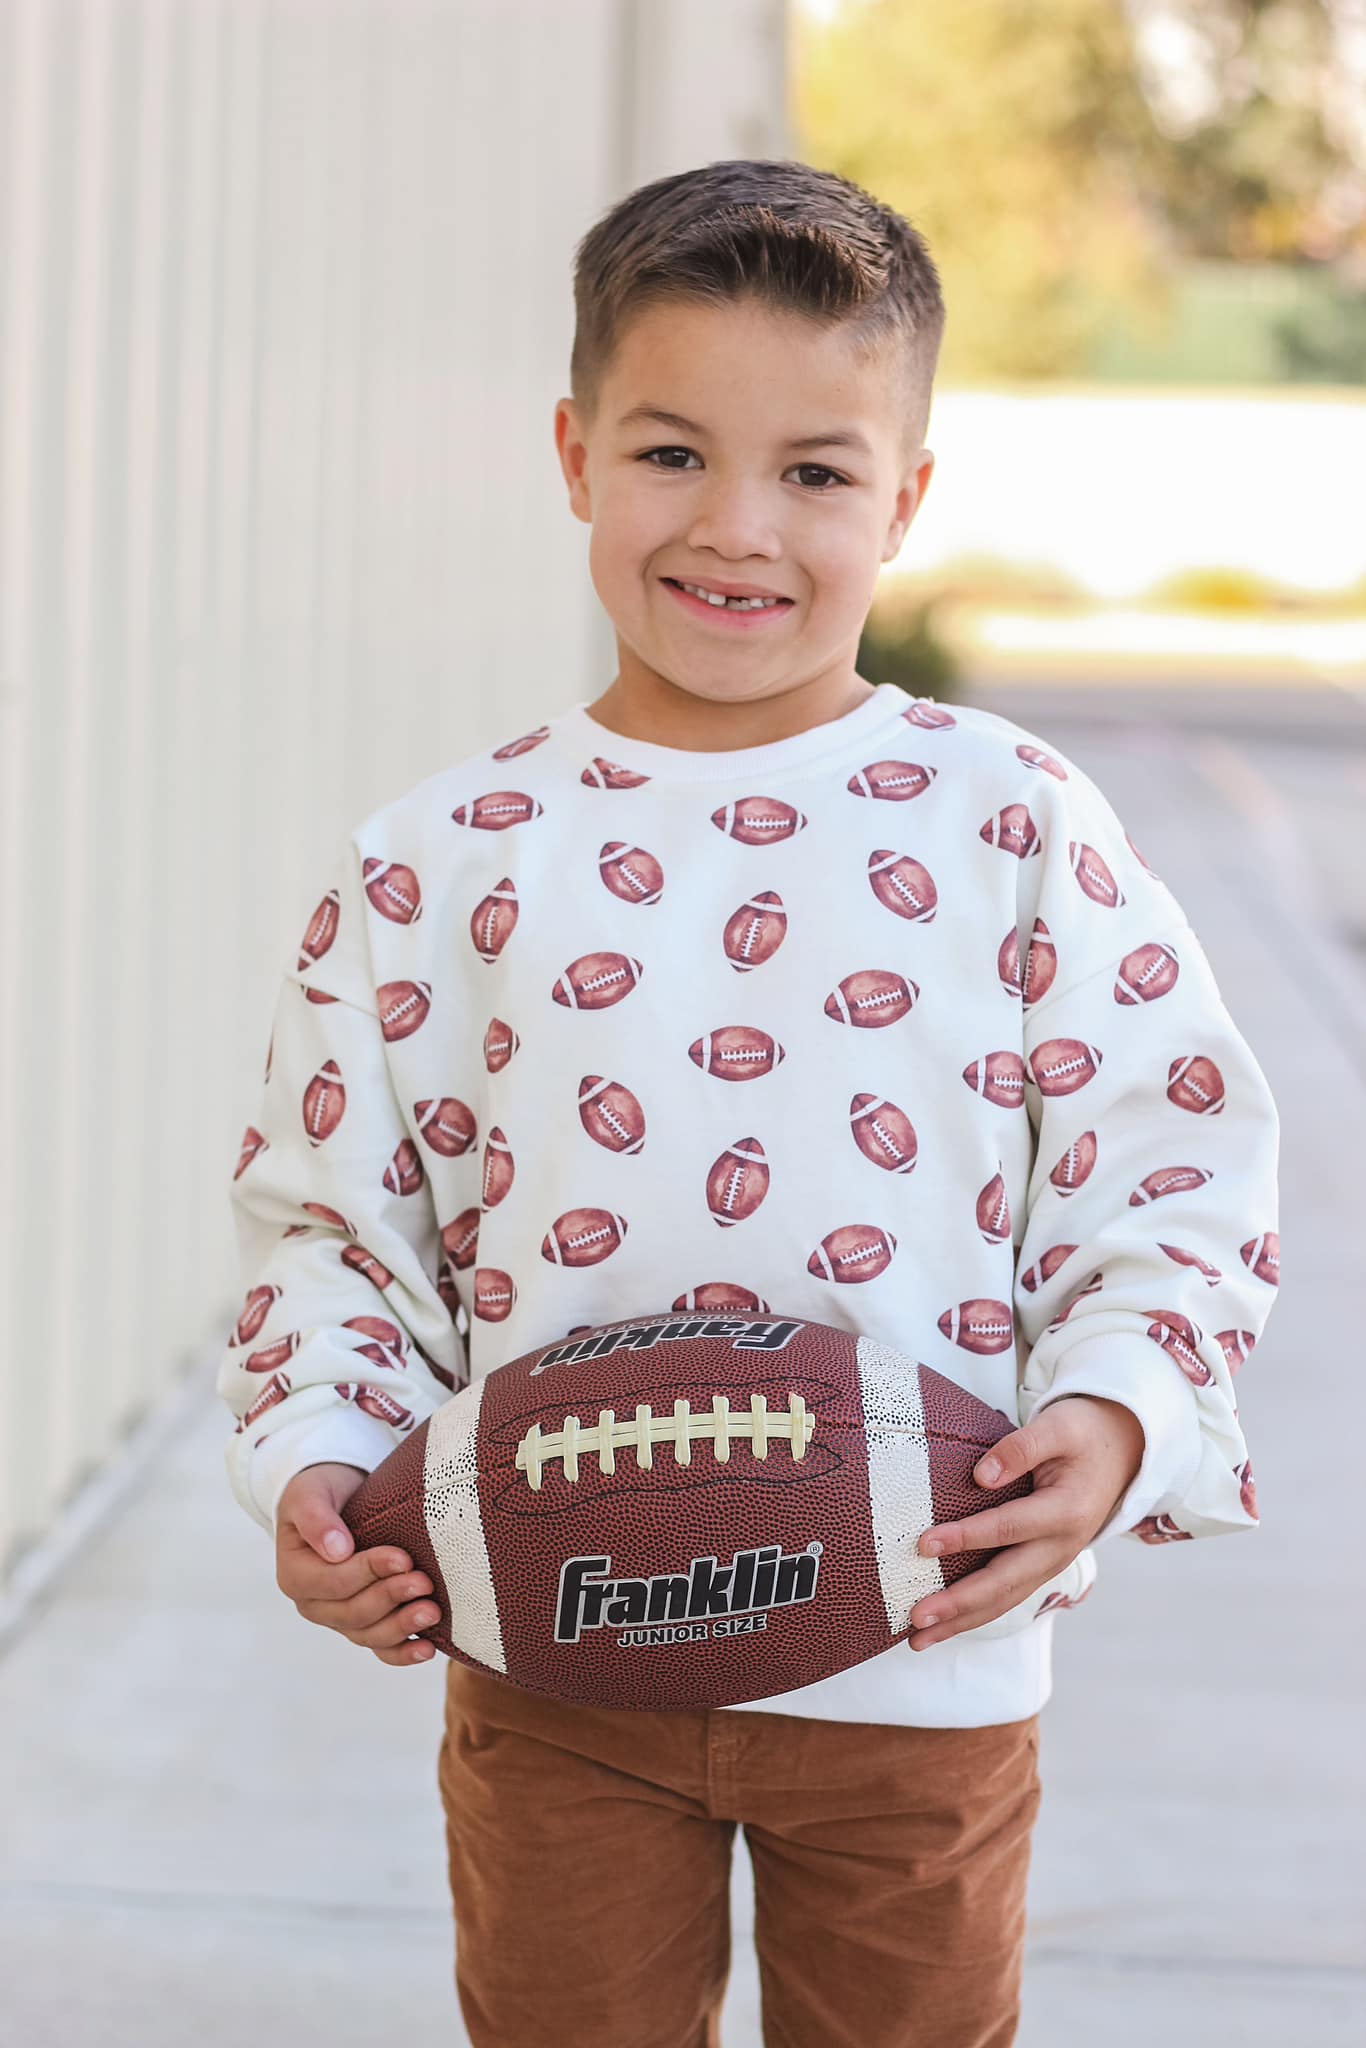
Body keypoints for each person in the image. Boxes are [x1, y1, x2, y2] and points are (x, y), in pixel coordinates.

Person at [218, 159, 1281, 2048]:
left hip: (922, 1658)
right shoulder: (443, 858)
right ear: (570, 453)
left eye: (813, 470)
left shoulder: (1007, 820)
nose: (735, 528)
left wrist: (1119, 1419)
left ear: (908, 498)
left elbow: (1171, 1163)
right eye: (667, 453)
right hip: (552, 1651)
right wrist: (318, 1450)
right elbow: (333, 1223)